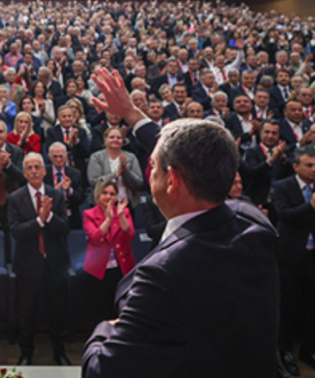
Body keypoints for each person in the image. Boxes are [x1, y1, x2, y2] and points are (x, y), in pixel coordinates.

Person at [83, 68, 279, 377]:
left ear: (171, 179)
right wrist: (134, 116)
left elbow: (102, 369)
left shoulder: (163, 275)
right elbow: (194, 153)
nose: (149, 172)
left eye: (153, 167)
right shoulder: (252, 220)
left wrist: (105, 329)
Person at [273, 150, 315, 377]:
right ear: (296, 167)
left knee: (314, 306)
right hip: (291, 257)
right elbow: (284, 215)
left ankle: (309, 351)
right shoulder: (283, 186)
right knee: (289, 306)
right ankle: (285, 351)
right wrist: (311, 205)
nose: (313, 169)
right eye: (308, 165)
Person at [8, 152, 71, 366]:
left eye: (37, 167)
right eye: (29, 168)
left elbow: (65, 229)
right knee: (26, 313)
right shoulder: (15, 198)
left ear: (45, 171)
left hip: (55, 262)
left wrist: (50, 216)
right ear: (24, 173)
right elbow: (16, 231)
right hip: (28, 264)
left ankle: (59, 352)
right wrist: (39, 220)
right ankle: (26, 354)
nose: (34, 171)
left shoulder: (57, 195)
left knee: (58, 311)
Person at [83, 177, 135, 324]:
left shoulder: (123, 212)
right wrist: (108, 220)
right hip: (99, 270)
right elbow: (95, 238)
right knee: (100, 310)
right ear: (98, 195)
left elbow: (130, 234)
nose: (108, 197)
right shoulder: (89, 214)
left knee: (120, 309)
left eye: (112, 194)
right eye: (105, 193)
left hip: (121, 268)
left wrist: (119, 216)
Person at [86, 127, 144, 208]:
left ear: (123, 140)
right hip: (101, 205)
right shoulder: (96, 157)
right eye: (111, 137)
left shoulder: (131, 157)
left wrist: (125, 171)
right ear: (105, 139)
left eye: (119, 137)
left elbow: (139, 182)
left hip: (126, 204)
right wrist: (115, 175)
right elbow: (94, 182)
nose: (115, 140)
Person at [45, 142, 85, 231]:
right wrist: (55, 192)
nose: (59, 159)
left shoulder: (75, 173)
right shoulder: (44, 173)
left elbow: (81, 198)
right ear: (49, 157)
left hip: (72, 217)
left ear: (66, 155)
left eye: (61, 156)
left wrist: (69, 190)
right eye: (55, 156)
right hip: (50, 218)